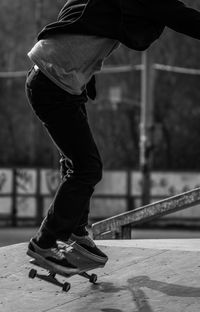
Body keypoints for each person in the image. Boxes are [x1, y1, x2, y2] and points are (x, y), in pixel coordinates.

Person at [26, 0, 200, 273]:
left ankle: (78, 234)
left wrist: (83, 71)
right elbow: (180, 16)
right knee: (87, 168)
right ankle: (45, 242)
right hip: (54, 85)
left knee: (76, 163)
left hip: (54, 82)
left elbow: (70, 14)